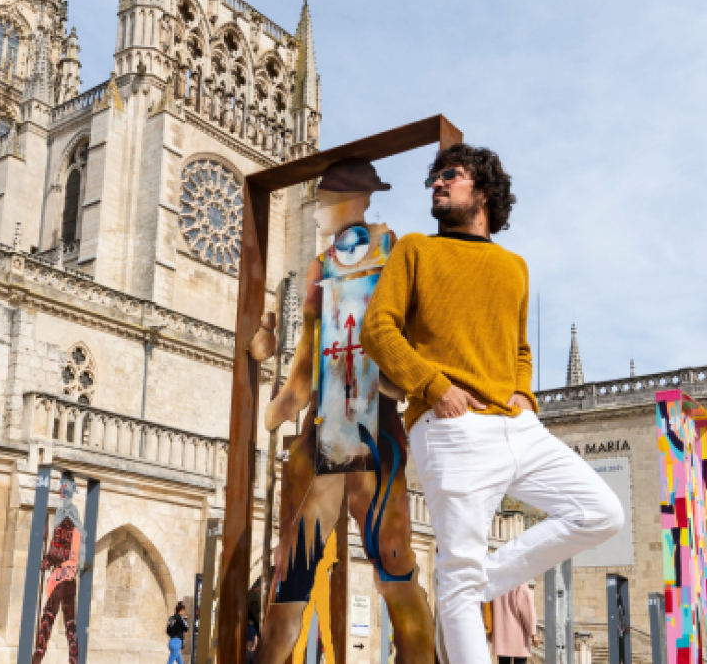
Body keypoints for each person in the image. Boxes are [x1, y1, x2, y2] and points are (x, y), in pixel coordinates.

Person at [360, 143, 624, 664]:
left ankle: (473, 580)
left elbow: (520, 349)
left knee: (601, 513)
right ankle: (465, 582)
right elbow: (377, 329)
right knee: (457, 572)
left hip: (517, 427)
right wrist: (434, 387)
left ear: (483, 191)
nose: (437, 183)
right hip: (450, 427)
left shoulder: (514, 267)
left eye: (450, 175)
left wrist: (525, 395)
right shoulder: (416, 250)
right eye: (433, 178)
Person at [254, 158, 435, 664]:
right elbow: (304, 373)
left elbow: (415, 338)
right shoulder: (318, 268)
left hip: (376, 429)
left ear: (353, 201)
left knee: (394, 566)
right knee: (291, 573)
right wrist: (259, 389)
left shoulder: (390, 251)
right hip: (324, 431)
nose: (316, 212)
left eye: (325, 200)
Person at [34, 473, 84, 664]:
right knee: (69, 622)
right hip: (69, 577)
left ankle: (38, 657)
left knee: (49, 616)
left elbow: (61, 546)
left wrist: (47, 560)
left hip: (61, 576)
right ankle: (73, 660)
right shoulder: (71, 514)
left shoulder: (66, 515)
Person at [492, 580, 539, 664]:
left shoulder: (496, 584)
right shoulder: (519, 583)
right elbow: (527, 611)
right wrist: (533, 633)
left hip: (501, 636)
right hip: (518, 636)